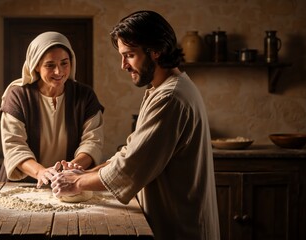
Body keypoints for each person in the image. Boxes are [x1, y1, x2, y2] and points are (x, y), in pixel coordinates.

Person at [51, 11, 220, 239]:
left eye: (130, 55)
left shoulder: (170, 97)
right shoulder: (161, 90)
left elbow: (130, 167)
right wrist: (85, 171)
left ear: (156, 51)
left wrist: (78, 182)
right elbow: (130, 151)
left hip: (179, 226)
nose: (123, 65)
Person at [0, 31, 105, 188]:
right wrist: (41, 172)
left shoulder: (85, 95)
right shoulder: (18, 95)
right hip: (23, 184)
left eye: (64, 63)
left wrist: (70, 169)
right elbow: (14, 145)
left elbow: (93, 141)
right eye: (50, 65)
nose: (59, 72)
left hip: (69, 183)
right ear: (36, 66)